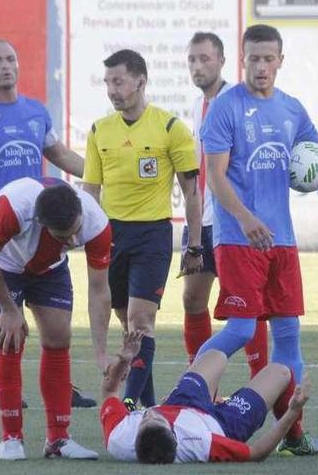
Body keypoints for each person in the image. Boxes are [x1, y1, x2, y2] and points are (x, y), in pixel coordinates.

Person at [198, 23, 318, 455]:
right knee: (242, 329)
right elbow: (214, 177)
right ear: (242, 58)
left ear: (281, 61)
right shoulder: (226, 108)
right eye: (254, 58)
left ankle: (294, 434)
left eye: (269, 59)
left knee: (288, 335)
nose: (261, 66)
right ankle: (189, 400)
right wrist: (245, 218)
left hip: (281, 241)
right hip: (237, 238)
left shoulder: (291, 109)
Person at [0, 39, 95, 409]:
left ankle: (58, 386)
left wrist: (106, 173)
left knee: (52, 314)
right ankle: (2, 389)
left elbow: (60, 155)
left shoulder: (36, 113)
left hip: (41, 229)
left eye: (11, 58)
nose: (5, 66)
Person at [83, 49, 203, 409]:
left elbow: (192, 192)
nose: (111, 90)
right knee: (127, 325)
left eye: (118, 81)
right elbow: (90, 191)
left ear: (140, 81)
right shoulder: (99, 130)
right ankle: (150, 406)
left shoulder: (170, 128)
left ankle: (131, 403)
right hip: (110, 235)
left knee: (140, 320)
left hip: (152, 234)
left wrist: (194, 246)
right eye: (107, 83)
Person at [0, 177, 111, 460]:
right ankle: (10, 438)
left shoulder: (96, 222)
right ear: (41, 222)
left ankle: (58, 440)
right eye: (63, 237)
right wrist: (9, 309)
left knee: (59, 336)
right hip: (2, 265)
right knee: (10, 338)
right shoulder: (13, 208)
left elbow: (99, 289)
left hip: (50, 268)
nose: (73, 241)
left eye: (75, 232)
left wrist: (100, 351)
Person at [182, 31, 268, 374]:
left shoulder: (238, 102)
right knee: (192, 299)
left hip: (233, 221)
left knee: (245, 307)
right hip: (204, 220)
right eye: (192, 59)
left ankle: (260, 380)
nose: (198, 66)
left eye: (205, 59)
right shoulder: (197, 105)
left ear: (221, 61)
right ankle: (200, 381)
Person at [100, 332, 310, 464]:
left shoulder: (119, 438)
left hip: (181, 402)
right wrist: (292, 411)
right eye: (157, 419)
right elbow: (256, 453)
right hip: (222, 423)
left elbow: (110, 391)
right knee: (281, 372)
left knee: (215, 355)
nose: (150, 413)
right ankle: (293, 440)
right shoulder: (201, 443)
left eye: (144, 420)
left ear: (135, 439)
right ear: (175, 437)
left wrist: (123, 360)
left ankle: (211, 398)